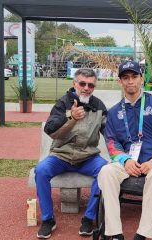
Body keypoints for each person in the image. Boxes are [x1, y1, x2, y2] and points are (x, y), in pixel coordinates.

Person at [98, 61, 152, 240]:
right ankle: (115, 233)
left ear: (142, 79)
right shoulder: (114, 112)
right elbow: (111, 144)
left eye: (134, 76)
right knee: (106, 172)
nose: (130, 81)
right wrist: (125, 160)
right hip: (129, 163)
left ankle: (143, 234)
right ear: (120, 82)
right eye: (125, 78)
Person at [35, 68, 108, 239]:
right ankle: (48, 219)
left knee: (105, 170)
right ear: (74, 84)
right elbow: (50, 130)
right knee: (41, 170)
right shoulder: (62, 103)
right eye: (82, 83)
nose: (86, 88)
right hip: (61, 156)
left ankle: (89, 218)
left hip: (87, 157)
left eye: (90, 85)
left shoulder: (99, 106)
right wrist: (71, 117)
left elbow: (111, 133)